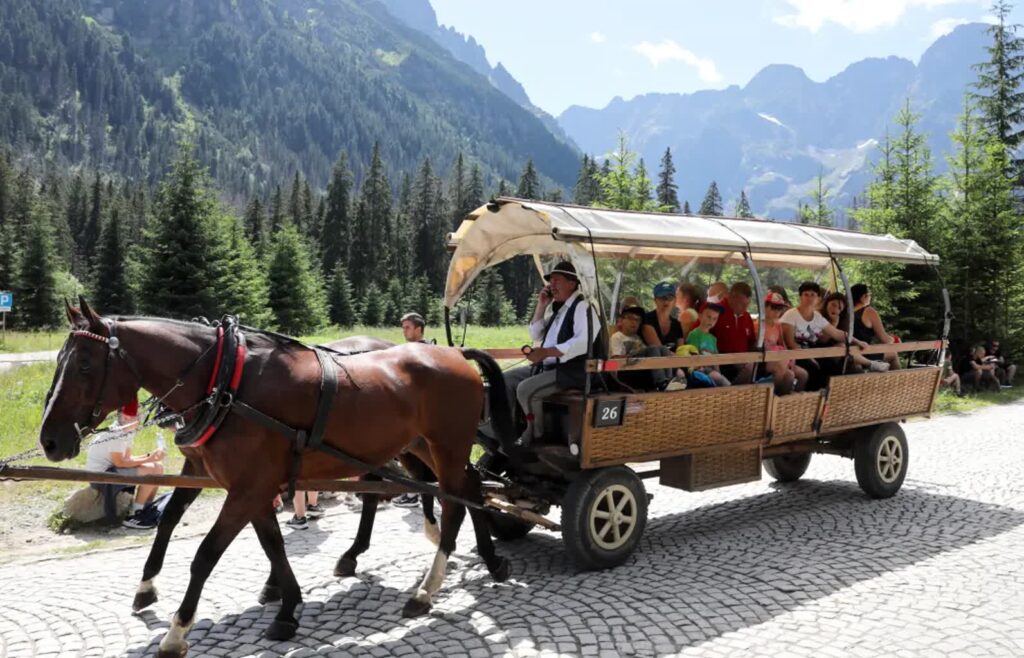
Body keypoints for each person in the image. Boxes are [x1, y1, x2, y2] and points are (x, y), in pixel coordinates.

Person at [504, 261, 602, 444]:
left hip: (574, 371)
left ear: (572, 283)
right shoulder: (559, 309)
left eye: (557, 280)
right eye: (551, 281)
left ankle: (536, 435)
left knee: (526, 390)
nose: (552, 285)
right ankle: (507, 430)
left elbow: (582, 343)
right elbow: (535, 333)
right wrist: (541, 305)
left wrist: (546, 352)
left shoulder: (583, 307)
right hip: (549, 368)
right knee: (505, 380)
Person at [84, 400, 166, 530]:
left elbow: (127, 458)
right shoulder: (117, 433)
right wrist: (149, 458)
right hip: (101, 476)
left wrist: (151, 457)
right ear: (126, 417)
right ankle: (135, 514)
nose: (140, 418)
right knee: (154, 469)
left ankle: (145, 507)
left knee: (158, 466)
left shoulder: (128, 431)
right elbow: (120, 463)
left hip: (112, 470)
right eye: (137, 415)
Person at [780, 281, 869, 391]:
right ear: (800, 297)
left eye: (813, 295)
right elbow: (791, 343)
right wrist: (809, 357)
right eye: (806, 294)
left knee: (832, 365)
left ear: (818, 298)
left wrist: (858, 342)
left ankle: (829, 397)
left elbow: (836, 333)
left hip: (812, 351)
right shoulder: (791, 314)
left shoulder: (817, 316)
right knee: (813, 367)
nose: (809, 298)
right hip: (794, 354)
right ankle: (812, 398)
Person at [393, 311, 430, 509]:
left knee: (411, 450)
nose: (404, 331)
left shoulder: (425, 351)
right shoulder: (408, 350)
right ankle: (414, 492)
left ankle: (413, 493)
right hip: (411, 410)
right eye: (403, 327)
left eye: (407, 327)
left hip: (421, 412)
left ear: (419, 329)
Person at [610, 305, 685, 391]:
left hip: (640, 370)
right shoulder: (617, 337)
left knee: (663, 349)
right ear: (621, 320)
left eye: (637, 320)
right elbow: (615, 359)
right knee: (653, 348)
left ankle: (669, 380)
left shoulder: (637, 338)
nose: (634, 322)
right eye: (630, 318)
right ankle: (660, 382)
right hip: (626, 372)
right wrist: (632, 358)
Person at [825, 292, 888, 374]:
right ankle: (872, 364)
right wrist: (834, 323)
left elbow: (842, 335)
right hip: (827, 353)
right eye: (833, 305)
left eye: (839, 308)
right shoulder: (868, 311)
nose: (835, 309)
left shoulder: (845, 319)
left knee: (856, 366)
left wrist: (858, 342)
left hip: (851, 353)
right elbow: (824, 339)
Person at [711, 282, 757, 384]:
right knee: (749, 367)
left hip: (742, 361)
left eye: (747, 304)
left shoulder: (747, 317)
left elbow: (751, 341)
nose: (745, 308)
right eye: (742, 304)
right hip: (721, 361)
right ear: (731, 297)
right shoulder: (714, 311)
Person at [762, 291, 807, 394]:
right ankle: (776, 400)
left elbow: (782, 344)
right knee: (789, 375)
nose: (777, 311)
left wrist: (791, 358)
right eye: (774, 307)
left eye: (780, 308)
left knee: (803, 374)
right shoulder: (758, 325)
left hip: (780, 358)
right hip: (766, 360)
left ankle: (792, 401)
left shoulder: (778, 325)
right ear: (765, 307)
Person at [848, 283, 900, 370]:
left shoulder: (847, 313)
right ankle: (899, 383)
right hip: (863, 352)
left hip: (850, 353)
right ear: (863, 297)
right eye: (869, 295)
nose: (870, 297)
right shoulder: (868, 311)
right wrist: (894, 339)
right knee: (893, 355)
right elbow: (884, 339)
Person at [685, 300, 732, 387]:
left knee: (719, 377)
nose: (711, 321)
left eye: (715, 319)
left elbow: (716, 359)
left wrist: (718, 372)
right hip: (699, 369)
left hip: (711, 370)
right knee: (718, 378)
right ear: (700, 316)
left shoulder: (713, 339)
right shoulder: (694, 334)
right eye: (708, 317)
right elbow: (693, 355)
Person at [641, 281, 684, 349]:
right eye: (662, 297)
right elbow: (660, 349)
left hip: (674, 359)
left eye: (670, 297)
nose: (666, 301)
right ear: (655, 300)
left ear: (675, 301)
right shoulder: (646, 319)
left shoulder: (677, 325)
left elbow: (681, 350)